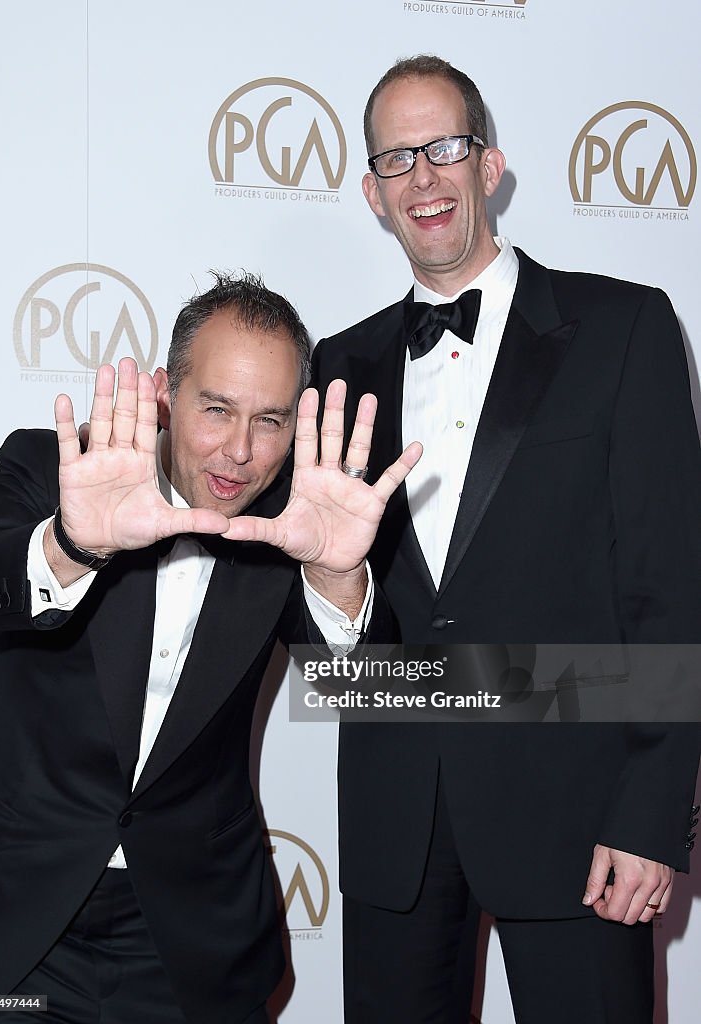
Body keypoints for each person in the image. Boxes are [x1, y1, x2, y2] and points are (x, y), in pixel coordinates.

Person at [312, 55, 701, 1024]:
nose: (423, 177)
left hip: (580, 819)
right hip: (395, 815)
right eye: (397, 158)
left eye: (445, 146)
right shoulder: (336, 364)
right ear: (372, 193)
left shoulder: (624, 327)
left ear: (490, 166)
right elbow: (330, 636)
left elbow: (670, 585)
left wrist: (650, 816)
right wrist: (332, 580)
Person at [0, 271, 420, 1024]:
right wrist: (71, 543)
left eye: (270, 420)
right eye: (216, 409)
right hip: (8, 921)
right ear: (166, 394)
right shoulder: (60, 471)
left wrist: (339, 580)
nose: (238, 452)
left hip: (185, 942)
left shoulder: (300, 523)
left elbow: (369, 695)